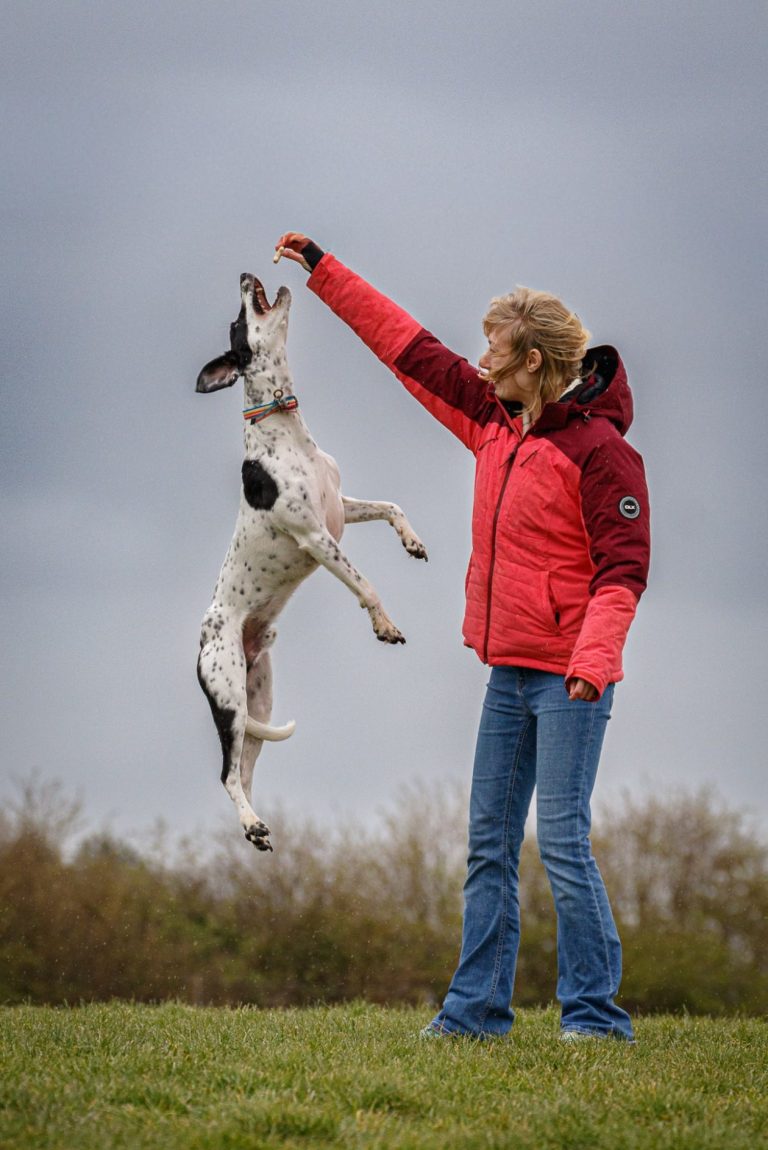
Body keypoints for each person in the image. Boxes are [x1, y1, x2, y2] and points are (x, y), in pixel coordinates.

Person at [275, 232, 650, 1042]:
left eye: (498, 350)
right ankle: (476, 1014)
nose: (482, 361)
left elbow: (622, 574)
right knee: (486, 845)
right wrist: (325, 271)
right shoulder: (490, 421)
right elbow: (407, 347)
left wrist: (592, 663)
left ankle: (594, 1016)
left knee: (559, 843)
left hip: (571, 678)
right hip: (508, 673)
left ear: (538, 364)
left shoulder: (601, 454)